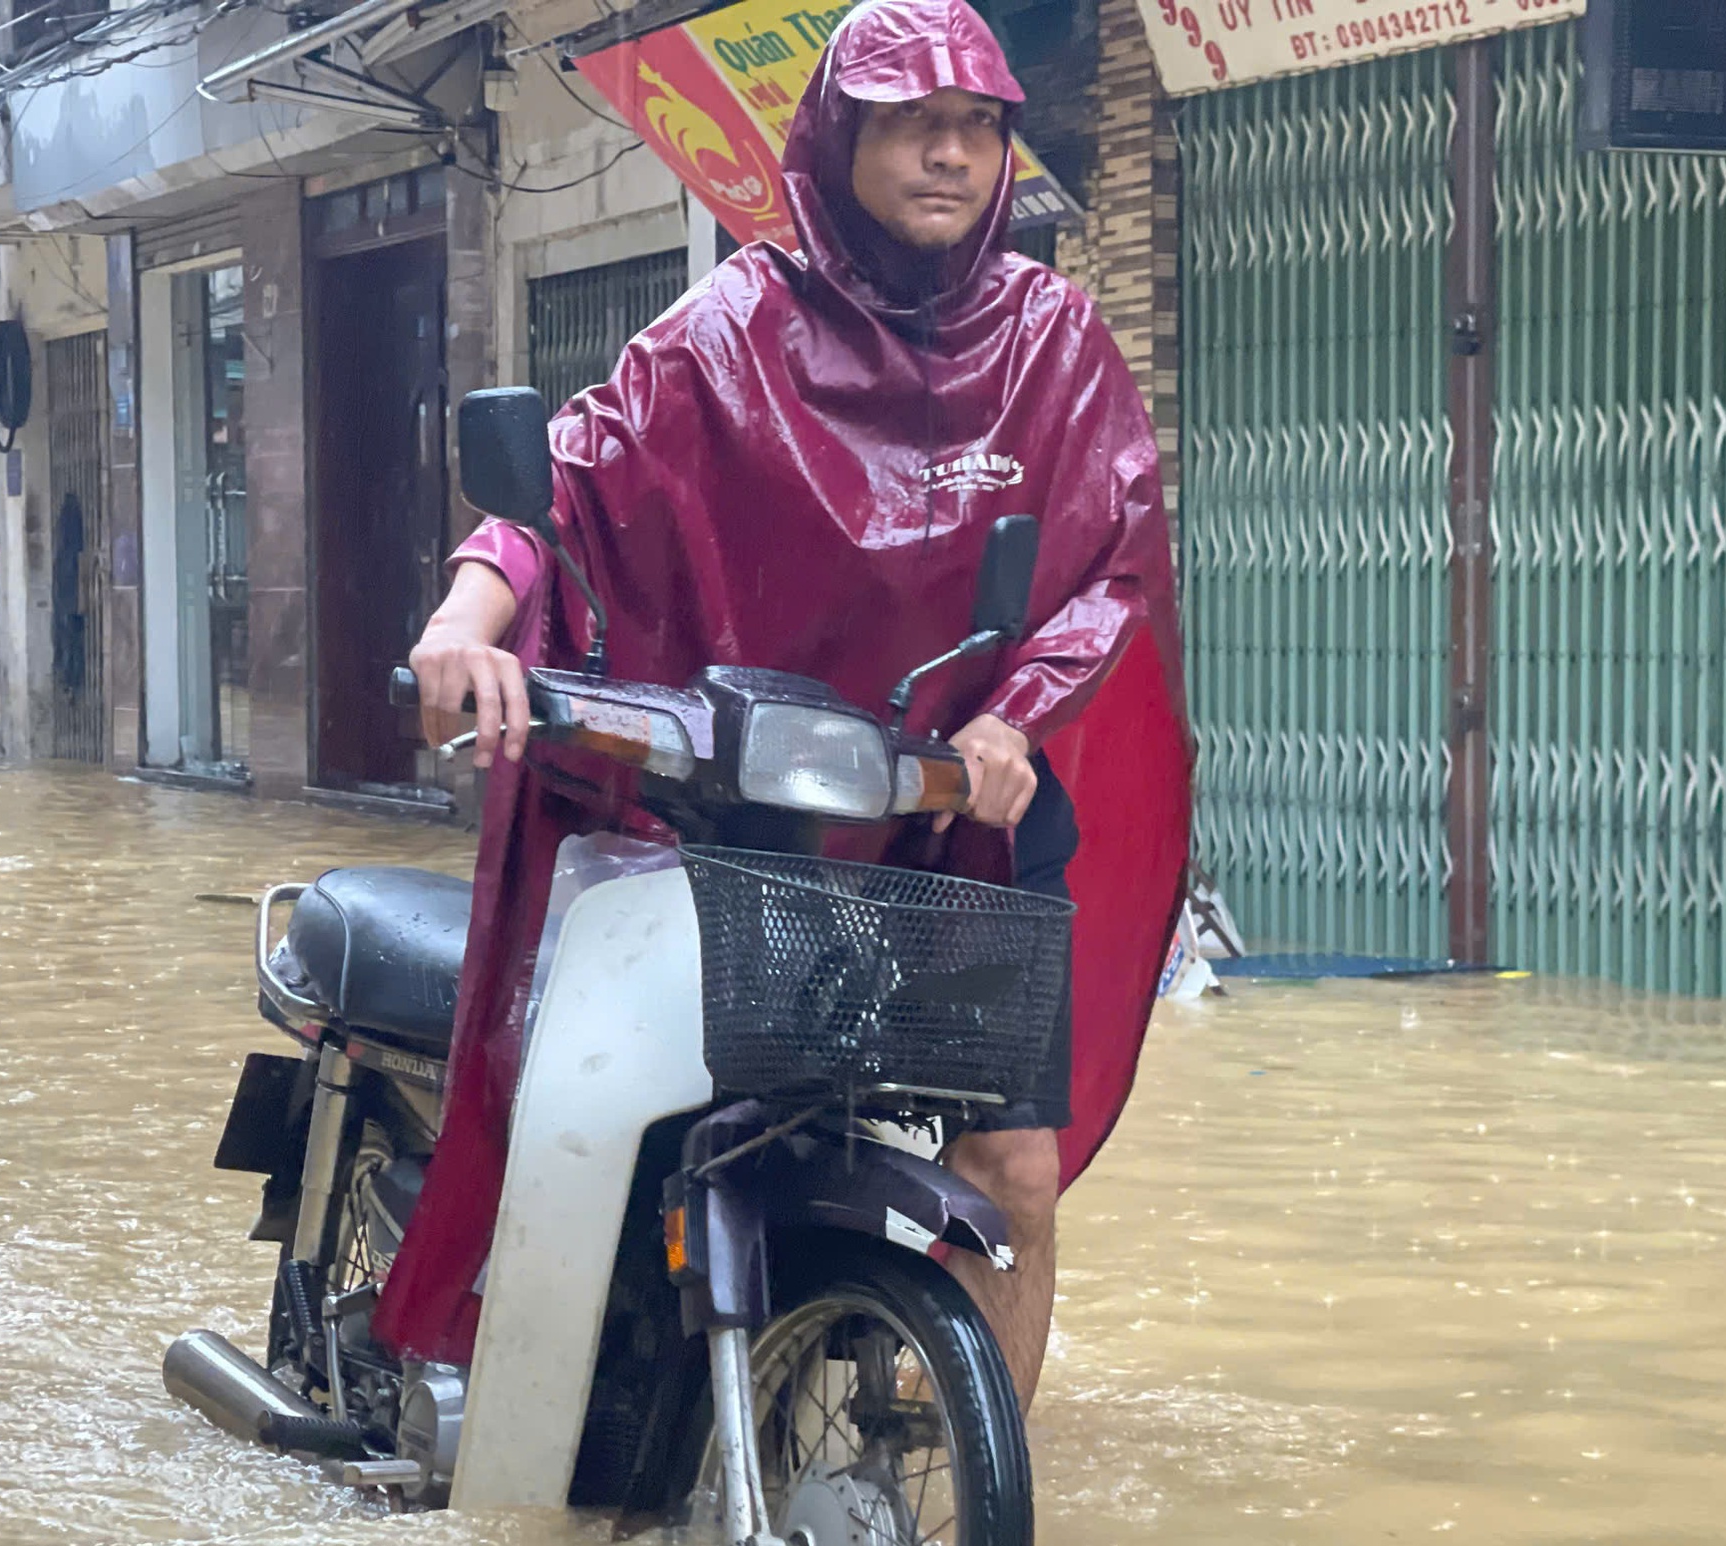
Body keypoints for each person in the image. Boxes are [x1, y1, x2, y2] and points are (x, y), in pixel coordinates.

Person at [375, 0, 1190, 1408]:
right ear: (839, 137)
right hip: (752, 812)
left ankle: (964, 1479)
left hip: (959, 814)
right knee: (664, 1130)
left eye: (979, 128)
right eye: (915, 126)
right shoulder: (734, 326)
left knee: (1017, 1170)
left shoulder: (1056, 338)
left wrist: (1019, 719)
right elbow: (568, 485)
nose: (952, 156)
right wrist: (462, 622)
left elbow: (1112, 567)